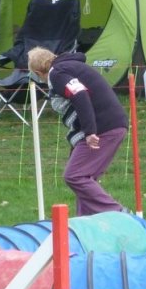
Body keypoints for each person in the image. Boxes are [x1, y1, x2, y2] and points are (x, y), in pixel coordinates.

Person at [28, 46, 129, 216]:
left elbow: (80, 94)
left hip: (103, 127)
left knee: (75, 175)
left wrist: (90, 132)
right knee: (85, 179)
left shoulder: (57, 73)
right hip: (113, 124)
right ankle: (85, 223)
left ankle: (117, 212)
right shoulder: (69, 66)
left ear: (38, 72)